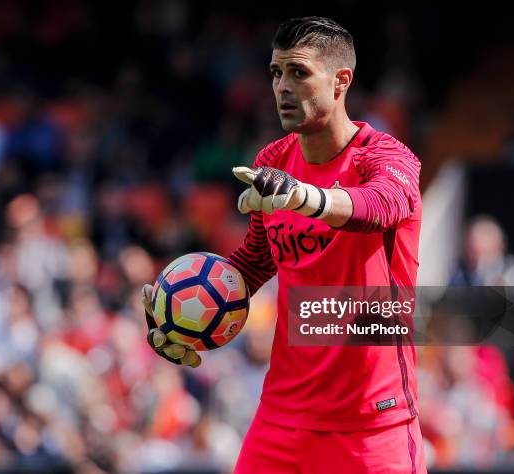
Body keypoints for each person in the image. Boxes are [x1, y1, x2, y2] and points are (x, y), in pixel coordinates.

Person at [142, 17, 425, 473]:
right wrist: (183, 319)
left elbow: (381, 206)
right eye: (276, 73)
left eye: (299, 72)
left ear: (340, 81)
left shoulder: (386, 156)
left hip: (371, 427)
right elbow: (256, 260)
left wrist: (305, 197)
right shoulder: (272, 161)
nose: (282, 87)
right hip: (280, 421)